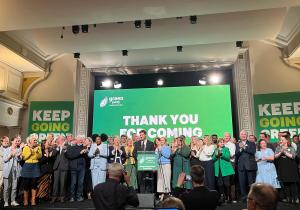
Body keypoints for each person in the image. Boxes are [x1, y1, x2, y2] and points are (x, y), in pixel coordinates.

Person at [274, 135, 299, 204]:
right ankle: (288, 198)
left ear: (287, 140)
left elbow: (293, 156)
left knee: (292, 183)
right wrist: (280, 152)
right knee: (285, 183)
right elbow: (275, 156)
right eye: (280, 140)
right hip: (282, 168)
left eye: (282, 140)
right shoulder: (278, 148)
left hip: (291, 167)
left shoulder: (291, 147)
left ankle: (295, 198)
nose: (281, 141)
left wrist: (284, 152)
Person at [235, 130, 257, 202]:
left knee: (251, 183)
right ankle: (244, 197)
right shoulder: (237, 144)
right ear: (240, 136)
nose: (243, 135)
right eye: (242, 134)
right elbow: (237, 154)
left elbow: (253, 151)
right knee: (242, 183)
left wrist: (244, 147)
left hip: (250, 166)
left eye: (245, 134)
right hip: (241, 166)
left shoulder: (251, 143)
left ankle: (252, 197)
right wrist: (241, 149)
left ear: (247, 135)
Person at [21, 133, 42, 206]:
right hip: (27, 166)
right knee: (26, 185)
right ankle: (25, 200)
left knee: (34, 184)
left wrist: (37, 151)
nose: (35, 141)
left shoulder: (38, 147)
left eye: (36, 140)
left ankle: (33, 200)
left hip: (35, 166)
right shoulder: (26, 147)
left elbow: (39, 157)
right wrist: (30, 152)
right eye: (34, 140)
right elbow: (24, 158)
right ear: (30, 141)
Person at [65, 135, 87, 202]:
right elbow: (70, 156)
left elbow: (87, 158)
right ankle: (72, 196)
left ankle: (79, 196)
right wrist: (80, 153)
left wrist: (86, 152)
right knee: (73, 183)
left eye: (82, 139)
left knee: (80, 182)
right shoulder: (72, 147)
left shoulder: (84, 147)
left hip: (82, 167)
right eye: (80, 139)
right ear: (76, 140)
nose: (81, 140)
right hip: (74, 167)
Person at [212, 138, 235, 203]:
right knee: (220, 184)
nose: (222, 143)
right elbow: (213, 159)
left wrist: (222, 154)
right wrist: (216, 156)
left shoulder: (226, 149)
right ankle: (222, 196)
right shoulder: (216, 150)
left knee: (227, 184)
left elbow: (228, 157)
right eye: (220, 142)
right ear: (218, 143)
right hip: (218, 170)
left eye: (223, 142)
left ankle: (228, 197)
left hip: (226, 170)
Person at [3, 136, 23, 207]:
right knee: (6, 187)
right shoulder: (6, 149)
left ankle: (13, 201)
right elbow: (5, 160)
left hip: (15, 170)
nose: (17, 142)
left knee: (14, 187)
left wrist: (18, 156)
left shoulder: (19, 149)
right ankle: (6, 201)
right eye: (16, 141)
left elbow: (20, 159)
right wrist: (10, 155)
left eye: (18, 141)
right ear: (12, 141)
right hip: (7, 170)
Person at [50, 135, 69, 203]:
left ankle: (62, 197)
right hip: (57, 167)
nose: (57, 140)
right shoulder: (56, 146)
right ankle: (54, 197)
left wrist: (65, 150)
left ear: (63, 139)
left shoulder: (68, 146)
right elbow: (53, 155)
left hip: (64, 167)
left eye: (59, 139)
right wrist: (57, 148)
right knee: (55, 183)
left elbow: (69, 155)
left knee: (63, 183)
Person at [223, 132, 236, 202]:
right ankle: (225, 197)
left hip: (230, 163)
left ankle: (232, 198)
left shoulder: (232, 145)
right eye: (225, 136)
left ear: (230, 137)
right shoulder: (222, 144)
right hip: (223, 164)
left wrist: (224, 153)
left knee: (231, 181)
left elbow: (232, 155)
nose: (226, 137)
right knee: (224, 181)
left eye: (228, 136)